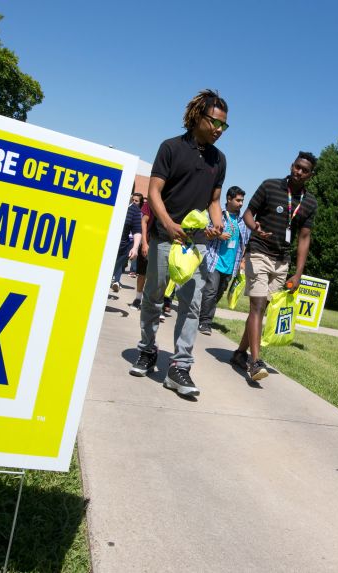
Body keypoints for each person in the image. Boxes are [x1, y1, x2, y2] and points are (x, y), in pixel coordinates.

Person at [128, 89, 229, 397]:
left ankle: (179, 367)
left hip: (194, 246)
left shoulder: (219, 160)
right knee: (154, 298)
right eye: (215, 122)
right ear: (198, 117)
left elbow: (214, 201)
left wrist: (217, 224)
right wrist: (168, 224)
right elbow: (155, 192)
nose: (219, 130)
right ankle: (147, 350)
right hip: (163, 237)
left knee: (191, 305)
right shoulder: (171, 148)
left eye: (224, 125)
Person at [232, 152, 318, 382]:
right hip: (258, 251)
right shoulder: (270, 186)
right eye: (296, 166)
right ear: (292, 165)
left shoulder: (309, 203)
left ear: (310, 175)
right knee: (257, 305)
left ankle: (240, 353)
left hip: (282, 261)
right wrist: (255, 228)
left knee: (262, 309)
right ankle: (255, 362)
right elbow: (249, 213)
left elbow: (304, 237)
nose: (298, 171)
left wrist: (298, 273)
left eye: (304, 170)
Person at [198, 186, 250, 335]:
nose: (241, 204)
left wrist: (243, 260)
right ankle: (205, 322)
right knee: (211, 291)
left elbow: (245, 243)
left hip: (231, 265)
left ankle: (200, 312)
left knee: (218, 293)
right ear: (229, 199)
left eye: (242, 201)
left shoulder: (242, 221)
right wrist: (217, 235)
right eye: (238, 200)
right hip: (214, 260)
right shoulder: (218, 215)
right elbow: (205, 232)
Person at [110, 192, 143, 292]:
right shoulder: (111, 201)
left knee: (116, 267)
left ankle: (116, 281)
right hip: (105, 244)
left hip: (123, 247)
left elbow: (137, 230)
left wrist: (135, 247)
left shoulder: (135, 210)